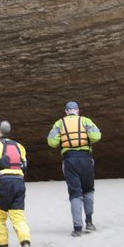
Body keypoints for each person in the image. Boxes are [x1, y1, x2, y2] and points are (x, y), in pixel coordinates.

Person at [47, 100, 102, 236]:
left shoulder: (59, 123)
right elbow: (96, 136)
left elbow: (52, 142)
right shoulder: (85, 121)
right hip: (86, 159)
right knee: (88, 190)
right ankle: (89, 222)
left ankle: (77, 228)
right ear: (77, 110)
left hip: (70, 159)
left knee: (75, 193)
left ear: (66, 111)